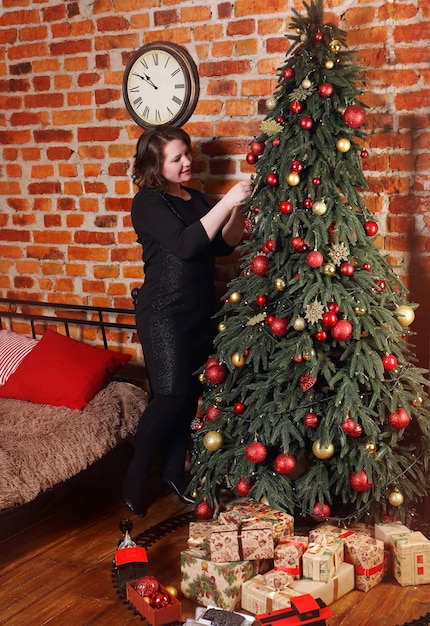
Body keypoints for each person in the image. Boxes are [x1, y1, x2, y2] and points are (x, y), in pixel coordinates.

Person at [123, 126, 253, 515]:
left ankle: (173, 473)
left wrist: (237, 210)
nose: (186, 162)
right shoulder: (147, 203)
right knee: (170, 396)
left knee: (191, 395)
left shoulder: (195, 197)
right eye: (176, 158)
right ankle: (132, 478)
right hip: (163, 311)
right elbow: (185, 245)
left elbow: (223, 247)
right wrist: (228, 197)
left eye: (186, 154)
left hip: (199, 309)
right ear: (155, 164)